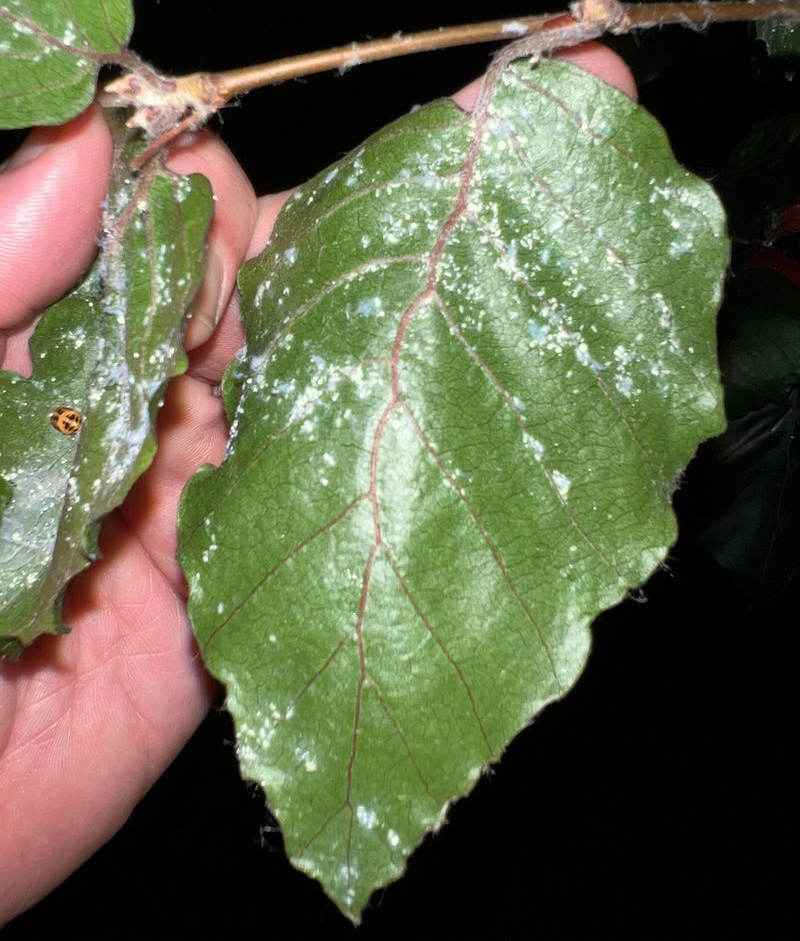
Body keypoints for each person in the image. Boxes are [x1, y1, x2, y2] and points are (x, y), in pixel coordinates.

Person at [0, 45, 636, 923]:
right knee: (81, 405)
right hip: (69, 427)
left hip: (79, 435)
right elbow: (68, 422)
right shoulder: (68, 420)